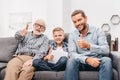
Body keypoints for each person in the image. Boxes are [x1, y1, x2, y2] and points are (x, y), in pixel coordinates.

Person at [64, 10, 112, 80]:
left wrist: (89, 46)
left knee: (107, 60)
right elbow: (72, 53)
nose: (77, 23)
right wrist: (87, 59)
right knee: (71, 61)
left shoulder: (98, 31)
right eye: (74, 22)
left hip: (97, 61)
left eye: (79, 20)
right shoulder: (72, 35)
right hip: (81, 62)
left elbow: (106, 50)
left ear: (86, 18)